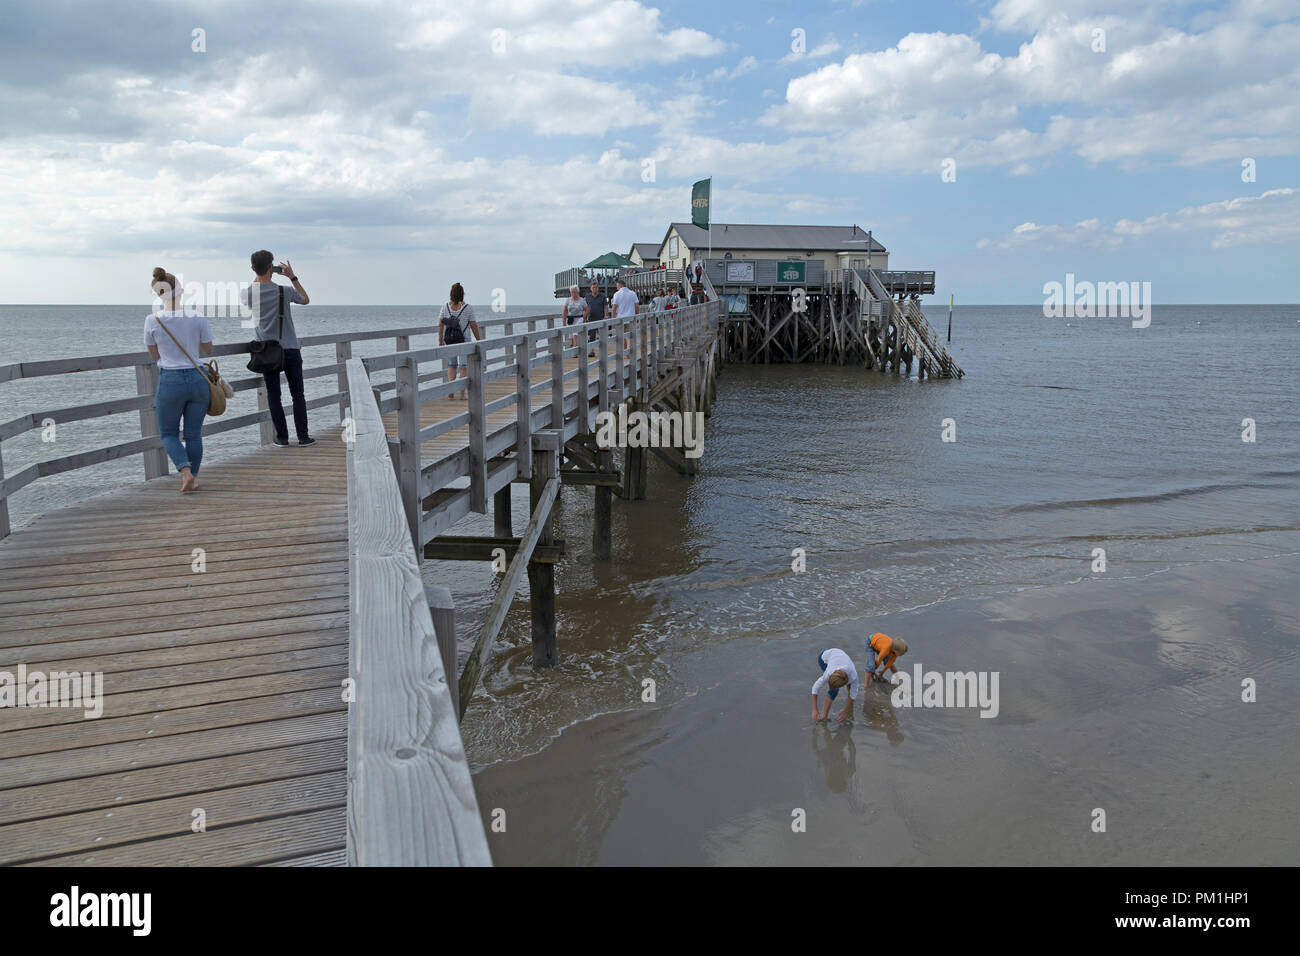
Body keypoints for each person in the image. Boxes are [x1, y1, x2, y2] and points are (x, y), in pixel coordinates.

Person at [144, 267, 214, 493]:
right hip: (197, 379)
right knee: (193, 434)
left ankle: (185, 473)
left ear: (158, 294)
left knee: (168, 434)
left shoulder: (152, 320)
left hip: (171, 381)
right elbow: (208, 348)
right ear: (181, 291)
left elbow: (154, 355)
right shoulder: (196, 317)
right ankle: (194, 475)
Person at [242, 250, 314, 447]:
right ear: (271, 268)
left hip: (267, 351)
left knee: (274, 395)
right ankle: (303, 437)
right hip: (290, 348)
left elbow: (254, 288)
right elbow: (305, 299)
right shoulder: (285, 291)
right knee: (297, 394)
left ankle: (282, 438)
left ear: (252, 268)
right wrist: (292, 276)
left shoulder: (248, 293)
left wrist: (259, 273)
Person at [439, 282, 481, 400]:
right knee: (463, 367)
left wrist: (440, 340)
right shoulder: (468, 308)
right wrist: (479, 339)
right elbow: (473, 325)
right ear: (463, 294)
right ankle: (462, 394)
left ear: (451, 294)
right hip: (464, 341)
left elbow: (440, 324)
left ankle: (451, 392)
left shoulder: (445, 307)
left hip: (449, 341)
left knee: (451, 366)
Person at [811, 647, 859, 723]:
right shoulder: (829, 673)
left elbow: (854, 693)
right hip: (824, 658)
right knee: (834, 690)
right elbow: (815, 688)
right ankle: (824, 716)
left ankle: (849, 707)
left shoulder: (853, 676)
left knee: (850, 688)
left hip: (840, 658)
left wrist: (845, 711)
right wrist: (814, 709)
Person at [611, 278, 638, 351]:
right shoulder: (633, 293)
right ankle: (629, 351)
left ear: (620, 285)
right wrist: (636, 316)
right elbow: (636, 306)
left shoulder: (617, 294)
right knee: (630, 336)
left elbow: (613, 308)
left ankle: (625, 352)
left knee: (622, 336)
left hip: (620, 319)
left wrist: (613, 320)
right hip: (631, 318)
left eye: (617, 286)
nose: (617, 288)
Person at [583, 280, 608, 358]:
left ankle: (603, 351)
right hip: (591, 318)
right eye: (593, 287)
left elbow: (606, 307)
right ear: (590, 288)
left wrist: (605, 316)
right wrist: (584, 317)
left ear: (598, 288)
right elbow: (585, 308)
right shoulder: (587, 296)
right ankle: (591, 351)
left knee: (602, 335)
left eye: (596, 287)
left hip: (601, 318)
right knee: (591, 336)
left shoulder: (603, 296)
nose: (595, 289)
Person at [562, 284, 586, 348]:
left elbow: (587, 310)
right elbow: (565, 310)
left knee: (575, 332)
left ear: (577, 292)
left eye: (574, 291)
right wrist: (564, 321)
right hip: (571, 319)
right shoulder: (568, 300)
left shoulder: (582, 300)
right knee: (571, 335)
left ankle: (575, 349)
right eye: (572, 292)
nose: (573, 293)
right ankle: (573, 347)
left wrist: (584, 317)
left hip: (579, 318)